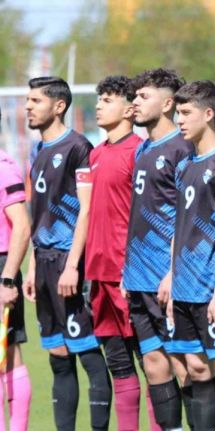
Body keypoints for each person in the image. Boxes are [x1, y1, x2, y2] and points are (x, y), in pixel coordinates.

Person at [23, 76, 112, 431]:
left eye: (35, 101)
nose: (28, 107)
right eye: (28, 100)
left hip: (68, 262)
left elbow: (87, 210)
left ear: (59, 106)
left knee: (87, 353)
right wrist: (33, 266)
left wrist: (73, 265)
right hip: (44, 262)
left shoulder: (78, 147)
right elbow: (39, 212)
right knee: (58, 355)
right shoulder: (37, 150)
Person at [170, 80, 215, 431]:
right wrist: (171, 277)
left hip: (212, 288)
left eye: (186, 113)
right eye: (177, 112)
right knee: (196, 369)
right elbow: (180, 225)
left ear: (209, 114)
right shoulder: (185, 166)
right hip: (184, 286)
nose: (179, 120)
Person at [122, 68, 192, 430]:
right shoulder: (144, 148)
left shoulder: (182, 148)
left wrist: (173, 272)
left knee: (187, 365)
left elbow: (188, 216)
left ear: (168, 104)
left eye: (143, 96)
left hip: (168, 278)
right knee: (153, 364)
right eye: (135, 96)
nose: (135, 102)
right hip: (139, 277)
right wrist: (128, 270)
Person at [86, 75, 151, 431]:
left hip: (129, 276)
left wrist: (134, 267)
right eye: (99, 99)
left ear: (129, 110)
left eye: (107, 100)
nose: (99, 106)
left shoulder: (139, 152)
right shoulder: (96, 154)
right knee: (119, 366)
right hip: (98, 276)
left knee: (152, 365)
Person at [0, 107, 32, 431]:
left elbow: (22, 227)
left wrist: (7, 279)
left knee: (8, 357)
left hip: (1, 267)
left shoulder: (4, 168)